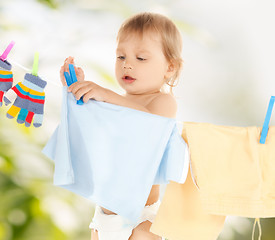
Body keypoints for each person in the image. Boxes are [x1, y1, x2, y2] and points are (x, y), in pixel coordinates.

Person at [60, 12, 183, 240]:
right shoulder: (116, 103)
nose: (127, 65)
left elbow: (150, 125)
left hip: (141, 221)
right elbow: (90, 130)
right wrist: (77, 90)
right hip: (104, 217)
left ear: (169, 68)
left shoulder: (162, 102)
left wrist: (106, 95)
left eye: (141, 58)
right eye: (121, 57)